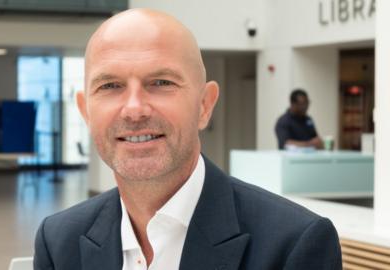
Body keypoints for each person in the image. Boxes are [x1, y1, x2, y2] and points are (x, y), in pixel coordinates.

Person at [34, 9, 342, 270]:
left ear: (204, 106)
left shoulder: (293, 245)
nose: (134, 109)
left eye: (161, 82)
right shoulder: (58, 242)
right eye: (110, 85)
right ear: (86, 112)